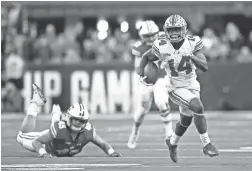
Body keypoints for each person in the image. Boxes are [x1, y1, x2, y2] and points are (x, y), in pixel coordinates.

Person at [138, 15, 219, 162]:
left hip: (192, 85)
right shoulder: (162, 45)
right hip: (175, 86)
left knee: (186, 120)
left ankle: (172, 142)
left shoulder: (192, 43)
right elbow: (146, 57)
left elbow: (205, 67)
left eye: (177, 29)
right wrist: (140, 73)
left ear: (184, 30)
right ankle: (207, 144)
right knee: (197, 106)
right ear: (166, 31)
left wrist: (192, 57)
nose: (174, 33)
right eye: (171, 30)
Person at [17, 84, 122, 158]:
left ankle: (55, 114)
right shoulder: (59, 128)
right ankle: (35, 103)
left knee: (55, 122)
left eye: (81, 121)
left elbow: (103, 144)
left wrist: (111, 152)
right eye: (75, 119)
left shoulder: (88, 131)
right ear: (68, 118)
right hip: (47, 145)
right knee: (21, 136)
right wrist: (43, 153)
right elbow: (37, 142)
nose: (78, 123)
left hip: (57, 144)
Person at [128, 20, 173, 149]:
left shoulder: (165, 40)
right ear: (141, 36)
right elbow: (137, 67)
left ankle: (169, 133)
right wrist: (145, 68)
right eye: (147, 36)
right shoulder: (139, 47)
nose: (150, 38)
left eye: (152, 35)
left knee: (161, 102)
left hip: (161, 76)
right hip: (146, 79)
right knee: (142, 110)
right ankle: (135, 131)